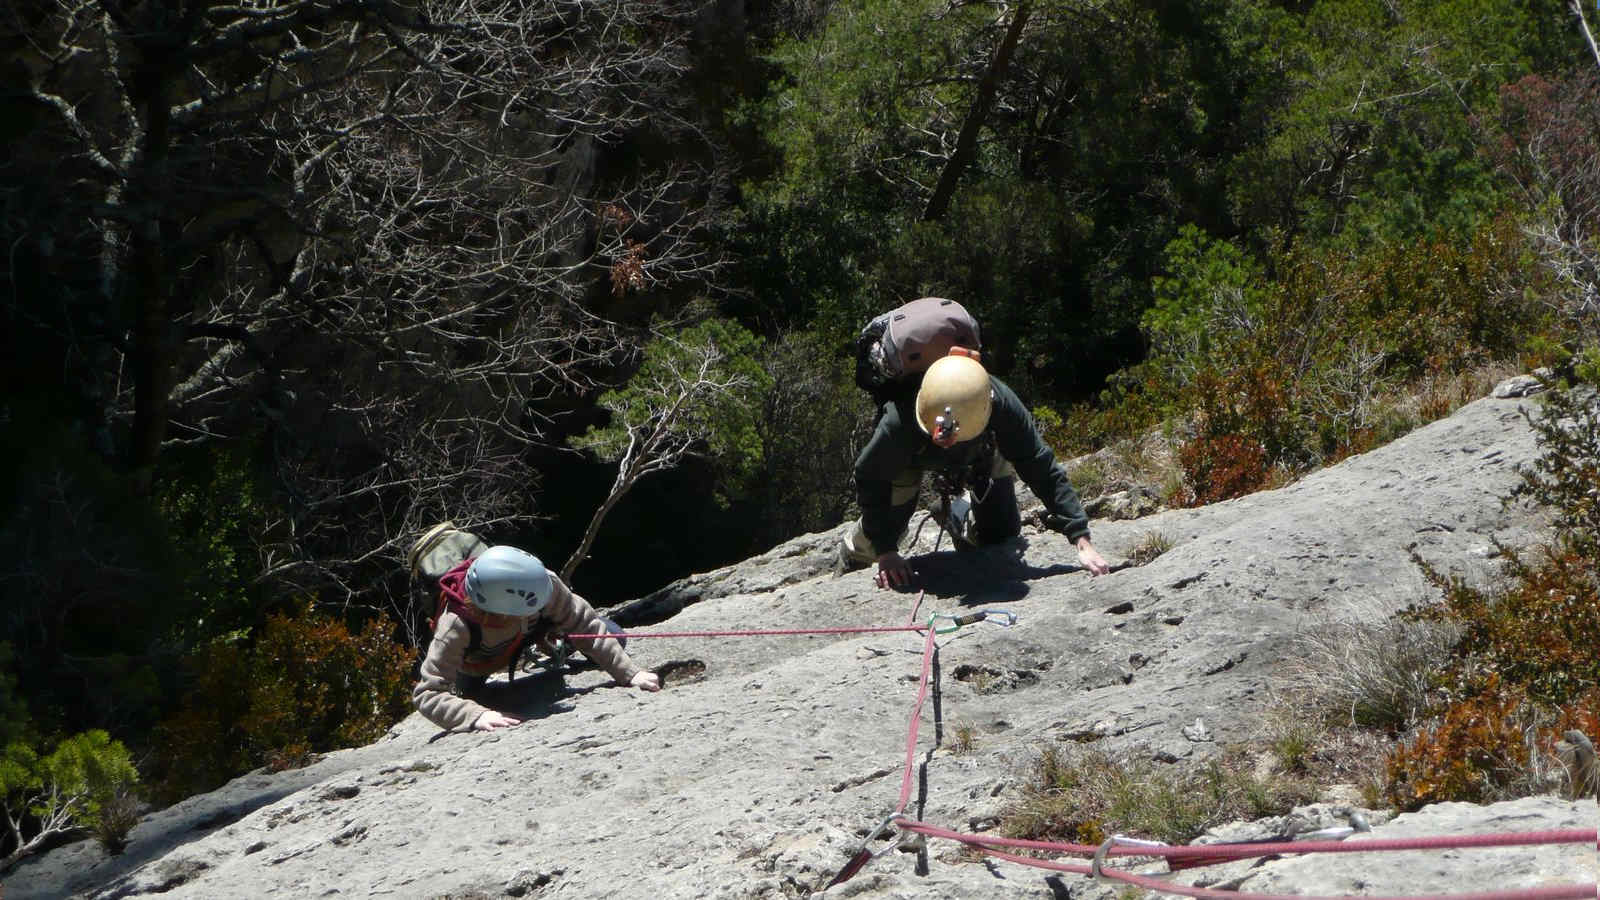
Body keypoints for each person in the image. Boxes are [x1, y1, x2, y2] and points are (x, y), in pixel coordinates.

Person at [841, 351, 1111, 589]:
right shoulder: (899, 422)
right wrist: (886, 550)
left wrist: (1080, 537)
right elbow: (870, 475)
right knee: (888, 523)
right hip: (908, 458)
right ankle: (855, 552)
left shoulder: (1000, 404)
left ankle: (958, 516)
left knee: (1001, 534)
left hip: (981, 451)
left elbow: (1040, 465)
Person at [413, 545, 660, 731]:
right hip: (477, 663)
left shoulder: (541, 583)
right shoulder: (456, 625)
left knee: (614, 635)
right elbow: (428, 694)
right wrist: (473, 715)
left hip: (529, 634)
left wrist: (629, 673)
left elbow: (585, 622)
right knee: (475, 697)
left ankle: (556, 648)